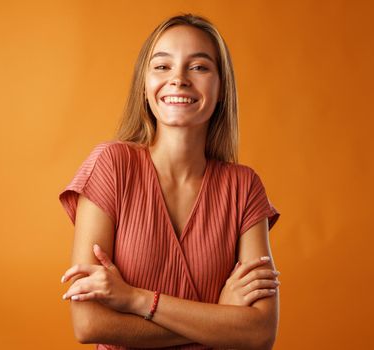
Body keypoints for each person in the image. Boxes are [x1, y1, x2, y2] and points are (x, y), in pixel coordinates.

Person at [59, 13, 281, 350]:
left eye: (199, 67)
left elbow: (260, 333)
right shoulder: (112, 166)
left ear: (221, 88)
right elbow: (88, 324)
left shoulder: (244, 187)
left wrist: (135, 300)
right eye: (162, 66)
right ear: (144, 85)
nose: (178, 79)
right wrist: (220, 317)